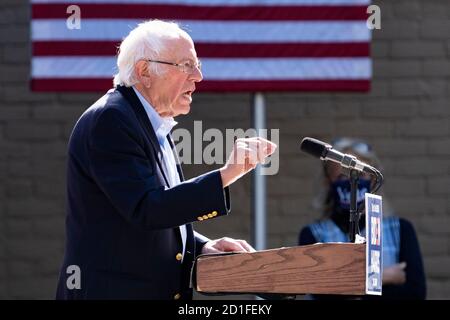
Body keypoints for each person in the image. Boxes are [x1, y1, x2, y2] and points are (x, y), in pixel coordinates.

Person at [56, 20, 276, 300]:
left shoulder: (151, 122)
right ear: (145, 71)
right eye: (185, 65)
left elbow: (150, 223)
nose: (198, 76)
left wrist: (199, 248)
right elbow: (146, 208)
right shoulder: (110, 120)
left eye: (197, 65)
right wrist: (226, 174)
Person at [298, 137, 426, 300]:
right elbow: (319, 294)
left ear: (373, 179)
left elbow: (414, 293)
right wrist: (382, 277)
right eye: (342, 177)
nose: (351, 183)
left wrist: (341, 285)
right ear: (327, 182)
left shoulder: (400, 230)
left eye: (360, 176)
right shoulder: (313, 235)